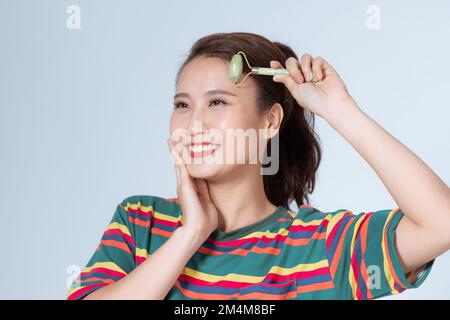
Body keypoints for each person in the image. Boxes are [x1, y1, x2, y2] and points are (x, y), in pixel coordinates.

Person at [67, 32, 449, 300]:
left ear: (269, 122)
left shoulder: (315, 248)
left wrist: (340, 111)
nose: (194, 123)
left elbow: (441, 223)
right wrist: (190, 234)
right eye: (182, 104)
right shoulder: (141, 222)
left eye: (217, 102)